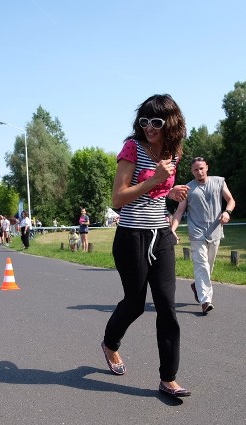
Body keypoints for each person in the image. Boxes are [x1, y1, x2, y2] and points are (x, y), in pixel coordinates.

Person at [101, 93, 191, 399]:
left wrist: (170, 190)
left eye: (157, 121)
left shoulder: (173, 152)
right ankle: (110, 344)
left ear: (171, 123)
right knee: (135, 303)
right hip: (131, 236)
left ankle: (169, 378)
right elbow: (118, 199)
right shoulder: (132, 148)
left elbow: (154, 195)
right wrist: (156, 180)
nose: (150, 127)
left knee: (167, 306)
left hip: (161, 234)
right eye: (144, 121)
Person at [171, 157, 236, 314]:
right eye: (195, 169)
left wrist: (227, 212)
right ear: (191, 171)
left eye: (201, 168)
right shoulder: (188, 188)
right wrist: (172, 230)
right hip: (197, 233)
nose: (199, 172)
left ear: (207, 167)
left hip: (215, 231)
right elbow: (180, 211)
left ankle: (197, 286)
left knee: (209, 266)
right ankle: (206, 300)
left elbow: (231, 200)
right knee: (201, 266)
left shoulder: (219, 182)